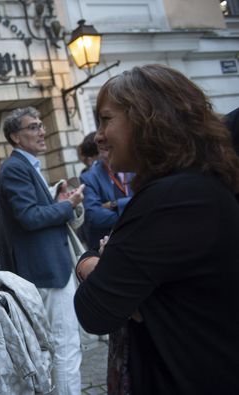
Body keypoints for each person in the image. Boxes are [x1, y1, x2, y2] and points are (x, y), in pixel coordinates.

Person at [74, 64, 239, 393]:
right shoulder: (193, 186)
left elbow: (94, 311)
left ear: (146, 117)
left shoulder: (171, 198)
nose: (99, 136)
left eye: (106, 119)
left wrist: (89, 264)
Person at [0, 106, 86, 395]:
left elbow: (34, 213)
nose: (42, 131)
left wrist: (58, 200)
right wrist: (66, 206)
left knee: (62, 346)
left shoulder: (24, 166)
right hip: (46, 272)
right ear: (15, 137)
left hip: (50, 267)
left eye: (41, 124)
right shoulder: (14, 169)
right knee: (65, 346)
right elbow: (30, 217)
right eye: (33, 127)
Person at [79, 132, 134, 251]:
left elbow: (146, 200)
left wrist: (114, 204)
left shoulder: (135, 167)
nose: (104, 145)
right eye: (100, 143)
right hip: (110, 246)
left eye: (108, 141)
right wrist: (134, 213)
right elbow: (94, 216)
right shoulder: (88, 178)